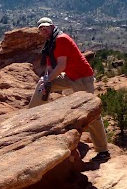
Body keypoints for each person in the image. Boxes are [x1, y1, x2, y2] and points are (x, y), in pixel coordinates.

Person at [30, 18, 110, 158]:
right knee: (42, 84)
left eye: (46, 27)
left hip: (82, 78)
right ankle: (31, 115)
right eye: (41, 28)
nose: (44, 30)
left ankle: (103, 150)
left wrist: (48, 79)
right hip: (70, 76)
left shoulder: (61, 39)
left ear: (52, 26)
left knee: (90, 113)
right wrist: (46, 81)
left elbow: (61, 65)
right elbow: (50, 67)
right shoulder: (50, 43)